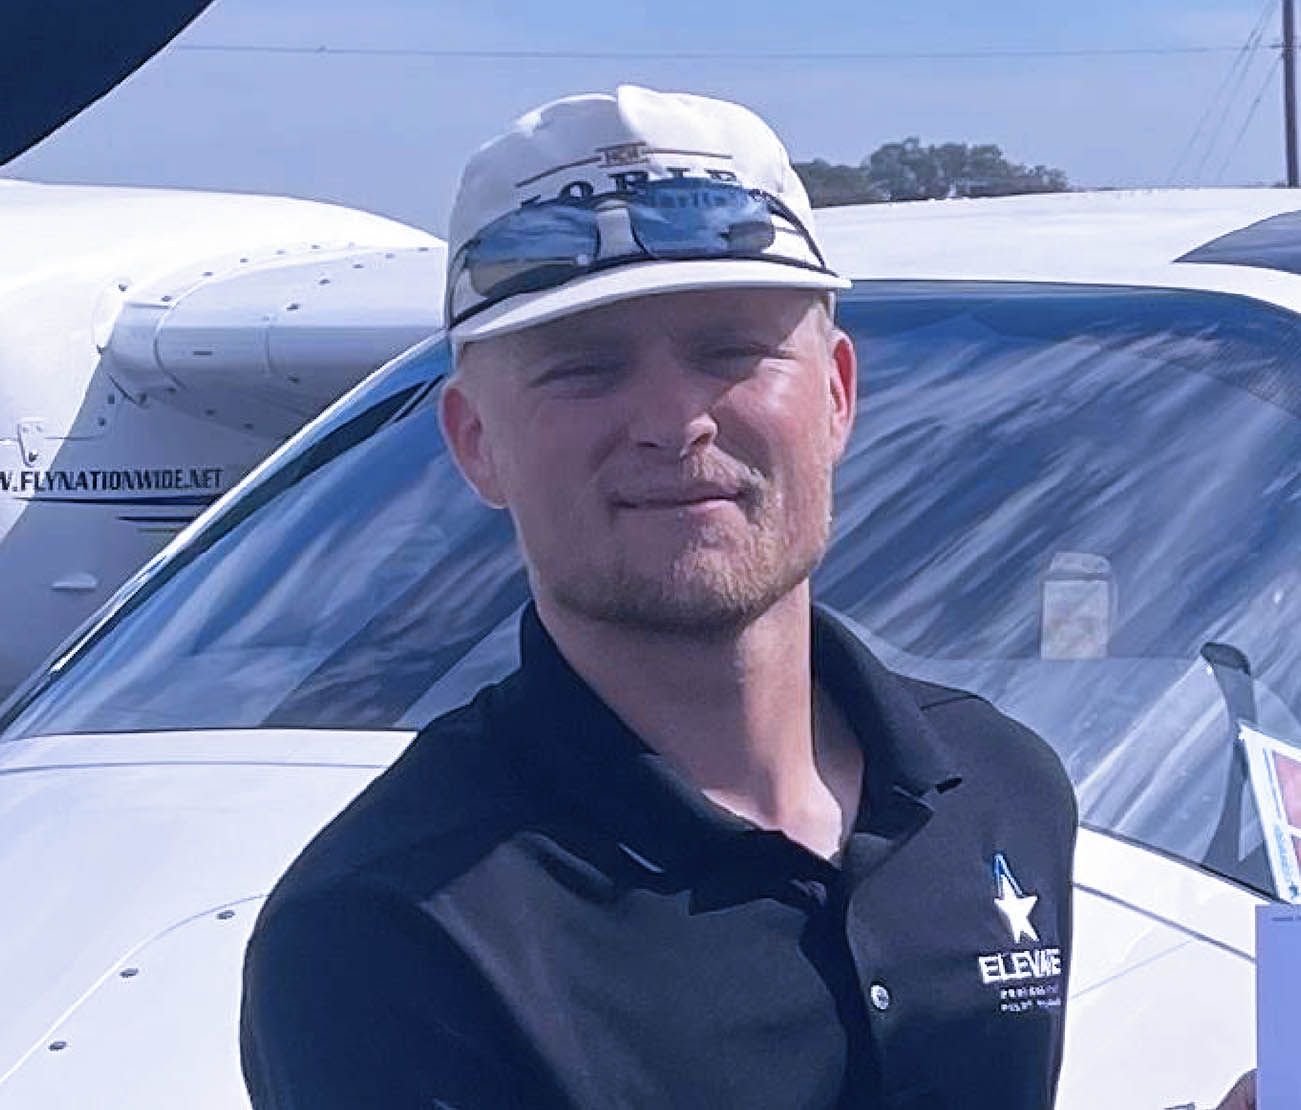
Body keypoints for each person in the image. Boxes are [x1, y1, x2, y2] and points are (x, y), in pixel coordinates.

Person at [240, 85, 1081, 1108]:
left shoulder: (1001, 792)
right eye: (582, 369)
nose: (672, 420)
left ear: (835, 396)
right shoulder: (386, 933)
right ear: (473, 442)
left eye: (729, 352)